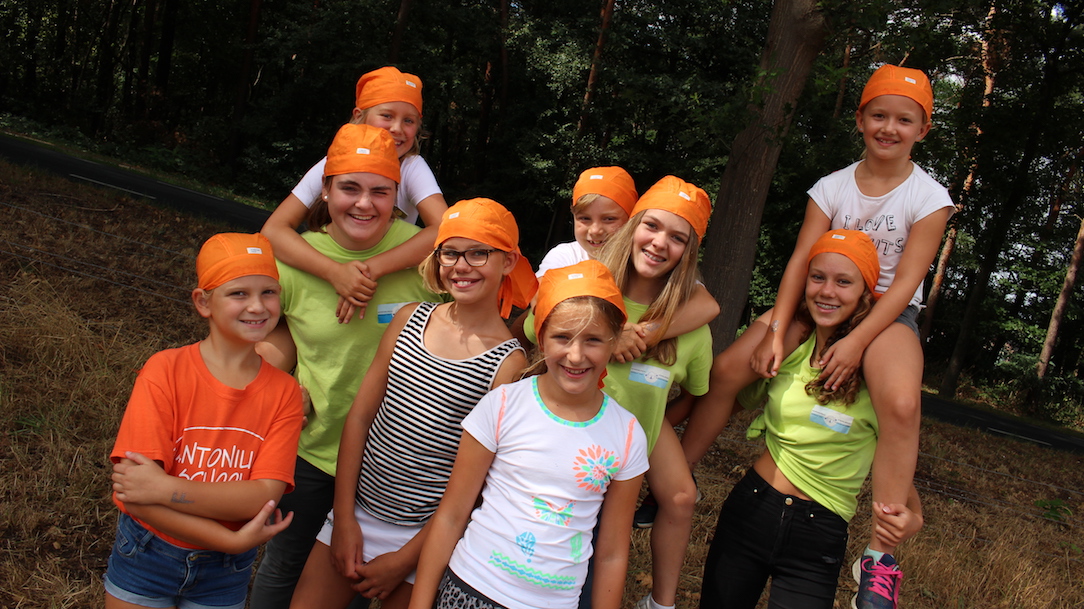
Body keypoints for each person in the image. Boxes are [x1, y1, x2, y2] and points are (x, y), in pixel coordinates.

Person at [679, 64, 953, 609]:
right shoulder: (831, 187)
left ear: (922, 129)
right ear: (860, 119)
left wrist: (858, 341)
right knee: (729, 368)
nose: (889, 128)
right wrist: (778, 330)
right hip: (821, 297)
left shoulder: (929, 197)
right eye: (879, 115)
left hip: (886, 313)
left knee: (900, 405)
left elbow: (906, 284)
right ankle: (674, 478)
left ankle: (879, 559)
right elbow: (802, 259)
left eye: (904, 120)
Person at [288, 198, 535, 609]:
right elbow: (360, 417)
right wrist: (344, 518)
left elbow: (477, 482)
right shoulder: (409, 318)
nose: (461, 266)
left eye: (478, 253)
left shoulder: (508, 364)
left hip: (424, 536)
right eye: (450, 253)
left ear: (508, 261)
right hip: (356, 512)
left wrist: (407, 558)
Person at [250, 123, 442, 609]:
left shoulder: (426, 259)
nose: (364, 204)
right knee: (285, 562)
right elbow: (259, 333)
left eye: (380, 192)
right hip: (313, 448)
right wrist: (275, 383)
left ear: (397, 198)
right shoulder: (297, 259)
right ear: (326, 191)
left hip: (393, 463)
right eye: (349, 188)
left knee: (354, 577)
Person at [699, 229, 924, 608]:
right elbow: (723, 397)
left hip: (820, 532)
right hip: (752, 508)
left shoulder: (877, 374)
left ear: (865, 293)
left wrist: (913, 518)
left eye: (844, 282)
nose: (827, 291)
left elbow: (897, 462)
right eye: (817, 277)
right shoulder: (788, 349)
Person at [409, 260, 650, 609]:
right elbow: (451, 515)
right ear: (541, 336)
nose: (576, 355)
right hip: (470, 589)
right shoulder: (503, 405)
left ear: (614, 342)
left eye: (593, 340)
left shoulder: (626, 435)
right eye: (562, 337)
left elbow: (612, 553)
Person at [104, 233, 304, 609]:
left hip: (224, 573)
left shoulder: (285, 393)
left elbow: (262, 497)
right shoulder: (165, 370)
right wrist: (229, 538)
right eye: (239, 293)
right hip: (148, 553)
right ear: (203, 302)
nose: (257, 306)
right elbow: (136, 496)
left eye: (269, 292)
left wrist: (165, 489)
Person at [261, 66, 447, 327]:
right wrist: (335, 273)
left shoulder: (412, 166)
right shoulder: (335, 162)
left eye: (409, 120)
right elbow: (273, 230)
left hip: (392, 281)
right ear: (359, 116)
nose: (397, 128)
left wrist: (369, 270)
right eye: (387, 115)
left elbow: (447, 231)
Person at [529, 167, 719, 364]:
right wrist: (612, 334)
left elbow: (707, 305)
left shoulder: (669, 276)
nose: (595, 230)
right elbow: (538, 299)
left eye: (609, 219)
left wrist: (644, 334)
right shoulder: (568, 255)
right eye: (584, 218)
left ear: (630, 221)